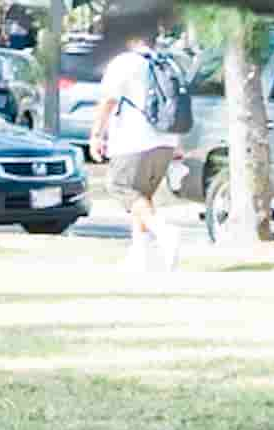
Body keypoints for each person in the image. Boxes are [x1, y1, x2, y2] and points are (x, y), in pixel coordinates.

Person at [90, 25, 183, 273]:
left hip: (134, 139)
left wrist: (97, 135)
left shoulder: (124, 63)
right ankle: (140, 255)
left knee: (120, 186)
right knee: (143, 196)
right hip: (167, 139)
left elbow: (108, 100)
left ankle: (163, 232)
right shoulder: (167, 62)